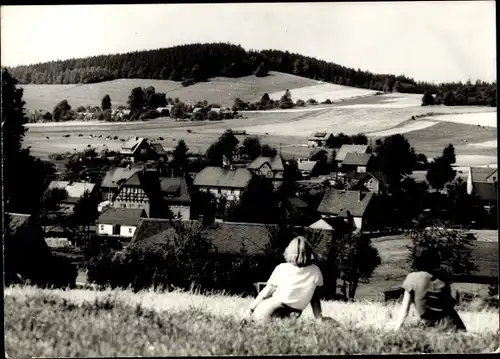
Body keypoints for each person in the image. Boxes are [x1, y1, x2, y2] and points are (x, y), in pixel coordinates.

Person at [243, 236, 326, 322]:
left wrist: (250, 310)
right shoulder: (316, 271)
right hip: (294, 313)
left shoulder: (282, 268)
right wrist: (319, 319)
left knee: (253, 323)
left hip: (270, 309)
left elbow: (266, 292)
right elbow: (315, 299)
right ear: (309, 252)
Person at [393, 246, 466, 332]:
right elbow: (449, 304)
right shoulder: (441, 279)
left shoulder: (411, 279)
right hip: (454, 325)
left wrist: (395, 331)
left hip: (433, 328)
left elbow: (404, 311)